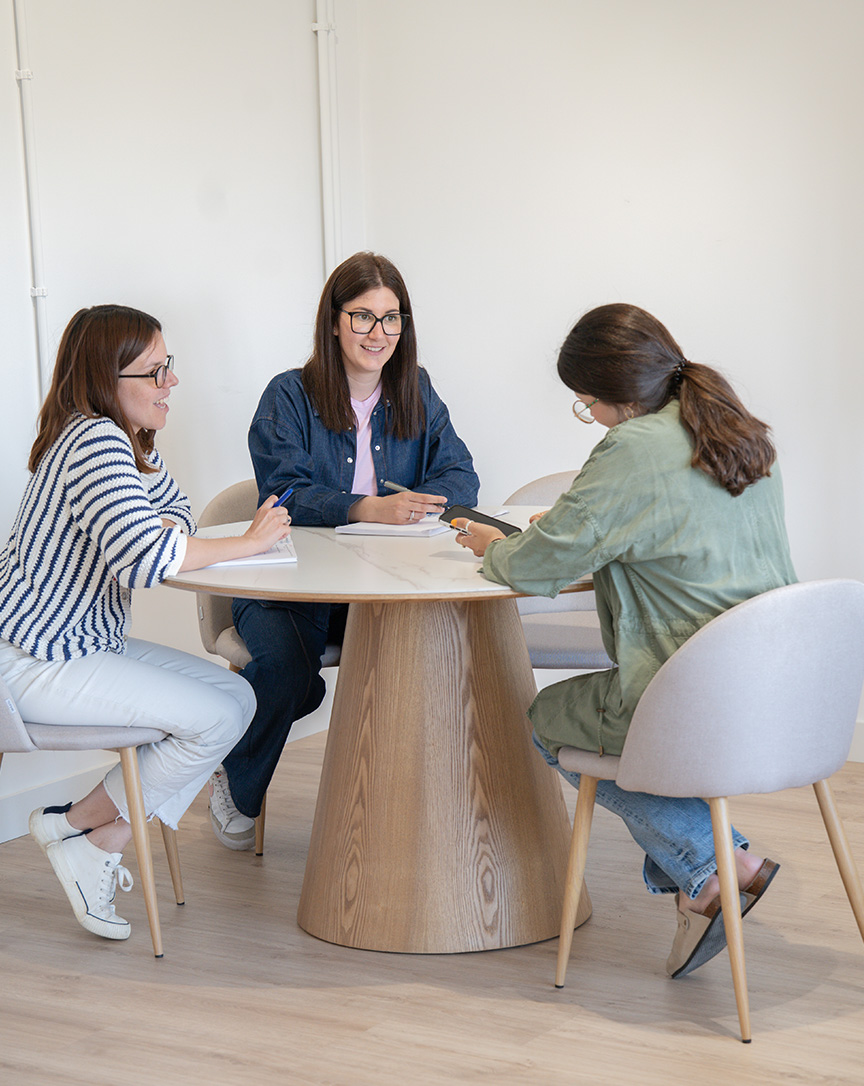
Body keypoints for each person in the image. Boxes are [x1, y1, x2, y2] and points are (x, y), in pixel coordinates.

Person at [453, 302, 796, 978]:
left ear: (617, 394)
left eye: (586, 404)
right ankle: (702, 881)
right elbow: (671, 527)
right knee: (607, 730)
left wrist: (495, 545)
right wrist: (574, 522)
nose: (592, 417)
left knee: (550, 720)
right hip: (779, 689)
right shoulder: (736, 430)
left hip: (691, 694)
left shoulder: (633, 447)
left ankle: (718, 870)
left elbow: (536, 567)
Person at [0, 304, 291, 942]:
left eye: (168, 366)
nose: (171, 382)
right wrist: (248, 543)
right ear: (109, 380)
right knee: (215, 716)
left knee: (238, 698)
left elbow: (178, 514)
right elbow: (143, 560)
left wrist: (161, 527)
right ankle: (91, 839)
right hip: (33, 658)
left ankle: (76, 827)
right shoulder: (94, 442)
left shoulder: (123, 442)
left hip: (80, 643)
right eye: (155, 372)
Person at [209, 251, 480, 849]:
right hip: (287, 585)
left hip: (379, 587)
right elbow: (284, 492)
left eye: (391, 318)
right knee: (290, 674)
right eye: (362, 316)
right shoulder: (288, 394)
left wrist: (422, 502)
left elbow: (461, 474)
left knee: (436, 656)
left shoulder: (416, 389)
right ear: (333, 321)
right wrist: (364, 507)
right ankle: (237, 780)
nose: (377, 333)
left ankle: (423, 813)